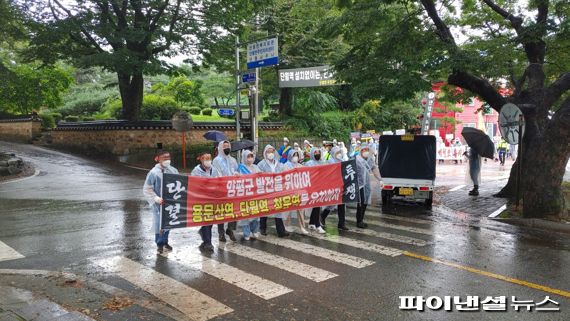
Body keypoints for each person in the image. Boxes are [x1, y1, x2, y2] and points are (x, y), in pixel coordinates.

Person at [143, 150, 179, 254]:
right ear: (157, 159)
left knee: (168, 223)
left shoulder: (173, 170)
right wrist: (156, 198)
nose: (167, 160)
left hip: (170, 202)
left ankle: (165, 241)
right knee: (159, 224)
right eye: (164, 158)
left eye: (168, 157)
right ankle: (159, 243)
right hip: (158, 203)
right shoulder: (153, 173)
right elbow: (147, 188)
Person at [258, 144, 290, 237]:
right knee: (265, 209)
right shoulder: (261, 164)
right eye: (268, 152)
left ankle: (281, 231)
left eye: (272, 151)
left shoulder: (279, 164)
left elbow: (284, 173)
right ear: (265, 153)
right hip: (266, 191)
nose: (270, 153)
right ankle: (262, 228)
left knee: (278, 209)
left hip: (277, 190)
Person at [191, 152, 220, 252]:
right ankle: (208, 243)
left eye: (209, 158)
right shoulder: (196, 170)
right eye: (206, 159)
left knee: (210, 220)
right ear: (201, 159)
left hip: (212, 199)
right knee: (206, 219)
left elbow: (220, 181)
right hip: (202, 199)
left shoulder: (214, 169)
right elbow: (194, 184)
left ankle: (204, 233)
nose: (208, 161)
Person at [212, 140, 238, 242]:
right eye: (224, 146)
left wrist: (236, 174)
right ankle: (221, 233)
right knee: (221, 211)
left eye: (228, 146)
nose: (227, 148)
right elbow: (216, 174)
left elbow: (236, 170)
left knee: (234, 210)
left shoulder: (233, 160)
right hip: (221, 189)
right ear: (220, 147)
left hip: (232, 189)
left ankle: (230, 229)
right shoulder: (216, 160)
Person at [320, 146, 350, 231]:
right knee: (332, 204)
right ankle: (322, 216)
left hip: (341, 185)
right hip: (333, 186)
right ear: (333, 153)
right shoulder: (329, 162)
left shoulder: (342, 161)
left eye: (340, 152)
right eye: (337, 153)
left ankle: (341, 223)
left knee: (342, 204)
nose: (339, 154)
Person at [237, 150, 262, 240]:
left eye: (251, 156)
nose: (250, 159)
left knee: (255, 213)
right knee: (246, 214)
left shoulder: (256, 167)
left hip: (255, 194)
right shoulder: (240, 168)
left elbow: (261, 178)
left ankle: (254, 230)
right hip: (245, 194)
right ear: (244, 157)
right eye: (248, 157)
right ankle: (246, 233)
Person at [355, 144, 381, 228]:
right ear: (360, 151)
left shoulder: (369, 159)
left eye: (367, 150)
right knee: (361, 201)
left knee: (365, 200)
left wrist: (380, 179)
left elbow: (374, 168)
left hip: (366, 184)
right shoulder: (356, 160)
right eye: (363, 150)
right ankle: (359, 221)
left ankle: (361, 219)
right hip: (359, 185)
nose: (365, 151)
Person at [283, 148, 309, 235]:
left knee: (301, 209)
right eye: (294, 155)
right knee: (288, 209)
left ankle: (302, 227)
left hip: (299, 191)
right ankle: (286, 225)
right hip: (289, 191)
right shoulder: (285, 165)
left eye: (297, 155)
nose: (295, 157)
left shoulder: (300, 166)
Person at [304, 147, 327, 234]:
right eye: (315, 152)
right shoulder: (308, 163)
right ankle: (318, 225)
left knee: (317, 205)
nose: (317, 154)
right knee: (317, 204)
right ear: (312, 154)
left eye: (318, 152)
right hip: (313, 187)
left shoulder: (322, 162)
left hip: (320, 186)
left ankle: (311, 222)